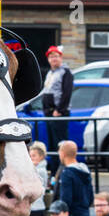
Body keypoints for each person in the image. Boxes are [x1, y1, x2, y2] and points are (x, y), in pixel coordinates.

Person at [40, 45, 73, 174]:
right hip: (49, 114)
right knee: (53, 145)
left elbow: (67, 93)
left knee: (61, 144)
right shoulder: (49, 73)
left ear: (61, 58)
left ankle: (62, 170)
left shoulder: (66, 72)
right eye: (51, 56)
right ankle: (54, 172)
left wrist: (59, 110)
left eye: (57, 56)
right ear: (48, 59)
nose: (54, 59)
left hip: (58, 114)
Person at [15, 141, 49, 216]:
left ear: (41, 156)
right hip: (29, 207)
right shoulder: (33, 168)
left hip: (35, 208)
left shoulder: (40, 170)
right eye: (30, 155)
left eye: (34, 155)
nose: (31, 158)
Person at [54, 140, 92, 216]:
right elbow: (91, 197)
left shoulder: (67, 173)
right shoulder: (86, 170)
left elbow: (66, 200)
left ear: (63, 153)